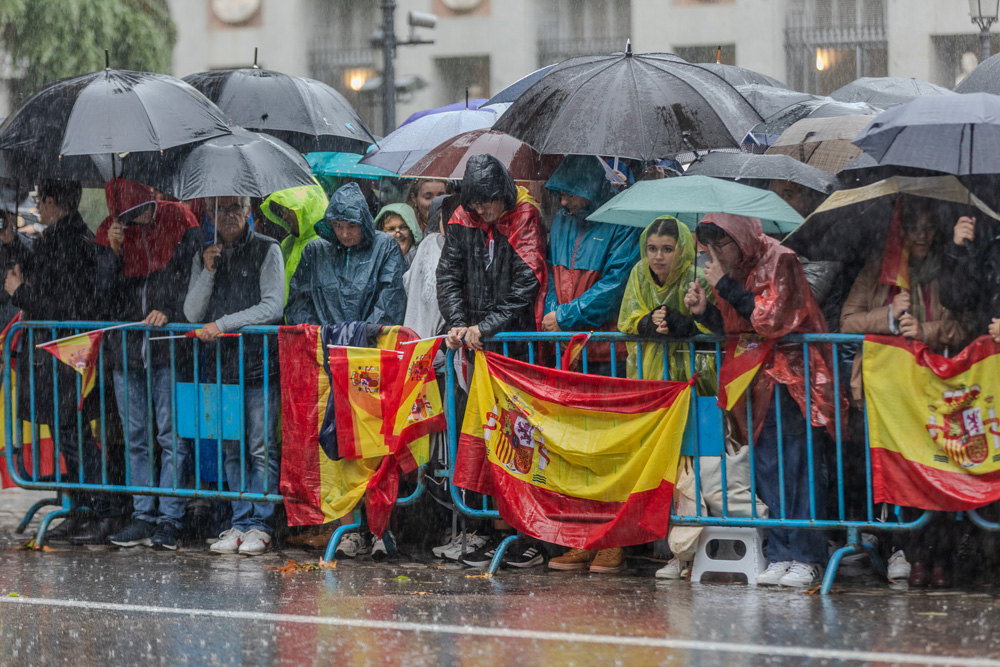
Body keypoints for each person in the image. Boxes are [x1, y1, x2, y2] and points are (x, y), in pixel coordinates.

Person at [684, 213, 837, 588]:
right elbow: (737, 328)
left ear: (739, 236)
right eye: (711, 245)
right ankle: (783, 551)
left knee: (798, 464)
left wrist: (722, 283)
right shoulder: (732, 269)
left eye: (722, 243)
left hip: (791, 379)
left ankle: (808, 555)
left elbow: (769, 319)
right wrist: (705, 309)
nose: (716, 252)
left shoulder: (780, 259)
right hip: (752, 379)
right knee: (767, 464)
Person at [845, 198, 966, 588]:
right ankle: (906, 552)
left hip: (934, 389)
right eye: (913, 229)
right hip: (887, 394)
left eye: (928, 229)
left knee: (937, 470)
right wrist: (889, 317)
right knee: (898, 473)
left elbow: (962, 327)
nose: (920, 237)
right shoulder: (879, 272)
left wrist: (925, 331)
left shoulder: (947, 270)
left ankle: (938, 558)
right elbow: (846, 322)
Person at [437, 154, 548, 569]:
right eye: (477, 204)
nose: (484, 211)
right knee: (480, 438)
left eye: (489, 204)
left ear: (502, 194)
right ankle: (485, 527)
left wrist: (488, 326)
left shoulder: (525, 217)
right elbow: (447, 276)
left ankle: (523, 531)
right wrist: (460, 323)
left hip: (515, 348)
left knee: (518, 442)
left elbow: (527, 282)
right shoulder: (462, 220)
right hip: (475, 349)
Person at [4, 180, 124, 543]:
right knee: (68, 433)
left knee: (72, 434)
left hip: (64, 353)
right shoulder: (64, 237)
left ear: (54, 202)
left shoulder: (66, 242)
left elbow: (58, 303)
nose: (38, 209)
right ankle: (82, 506)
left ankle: (103, 509)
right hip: (61, 353)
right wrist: (13, 245)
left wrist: (18, 292)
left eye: (41, 202)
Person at [93, 179, 202, 550]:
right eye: (129, 214)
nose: (139, 219)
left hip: (166, 349)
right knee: (136, 437)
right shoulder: (112, 231)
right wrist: (112, 251)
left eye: (142, 211)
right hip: (125, 351)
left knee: (171, 437)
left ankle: (170, 518)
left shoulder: (179, 220)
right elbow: (101, 293)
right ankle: (143, 515)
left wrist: (168, 309)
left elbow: (190, 277)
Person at [183, 195, 284, 556]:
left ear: (248, 212)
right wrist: (208, 271)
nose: (227, 215)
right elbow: (193, 312)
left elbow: (273, 307)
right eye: (220, 208)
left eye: (234, 207)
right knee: (231, 448)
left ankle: (262, 523)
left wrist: (224, 324)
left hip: (258, 366)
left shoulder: (267, 249)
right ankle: (240, 522)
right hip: (220, 368)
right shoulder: (204, 254)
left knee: (260, 447)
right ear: (210, 213)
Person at [541, 155, 639, 378]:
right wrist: (553, 313)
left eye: (570, 194)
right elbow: (550, 272)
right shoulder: (561, 219)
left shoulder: (623, 221)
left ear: (588, 188)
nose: (563, 202)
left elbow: (616, 286)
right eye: (561, 195)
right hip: (568, 345)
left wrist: (563, 317)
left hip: (608, 350)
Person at [285, 182, 406, 326]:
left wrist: (363, 334)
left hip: (370, 345)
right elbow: (299, 302)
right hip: (324, 343)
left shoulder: (385, 246)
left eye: (352, 226)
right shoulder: (316, 251)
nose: (344, 234)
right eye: (337, 225)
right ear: (330, 224)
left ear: (364, 223)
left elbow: (391, 300)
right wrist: (322, 334)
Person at [259, 183, 329, 305]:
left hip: (308, 323)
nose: (285, 216)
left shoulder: (322, 246)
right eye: (282, 211)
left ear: (305, 208)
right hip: (287, 320)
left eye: (289, 210)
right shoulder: (288, 243)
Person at [403, 194, 458, 339]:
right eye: (440, 217)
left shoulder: (465, 246)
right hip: (423, 334)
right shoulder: (429, 244)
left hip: (448, 336)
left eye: (443, 217)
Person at [375, 202, 423, 267]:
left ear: (412, 231)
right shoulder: (373, 262)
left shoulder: (422, 260)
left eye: (403, 227)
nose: (398, 235)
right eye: (391, 229)